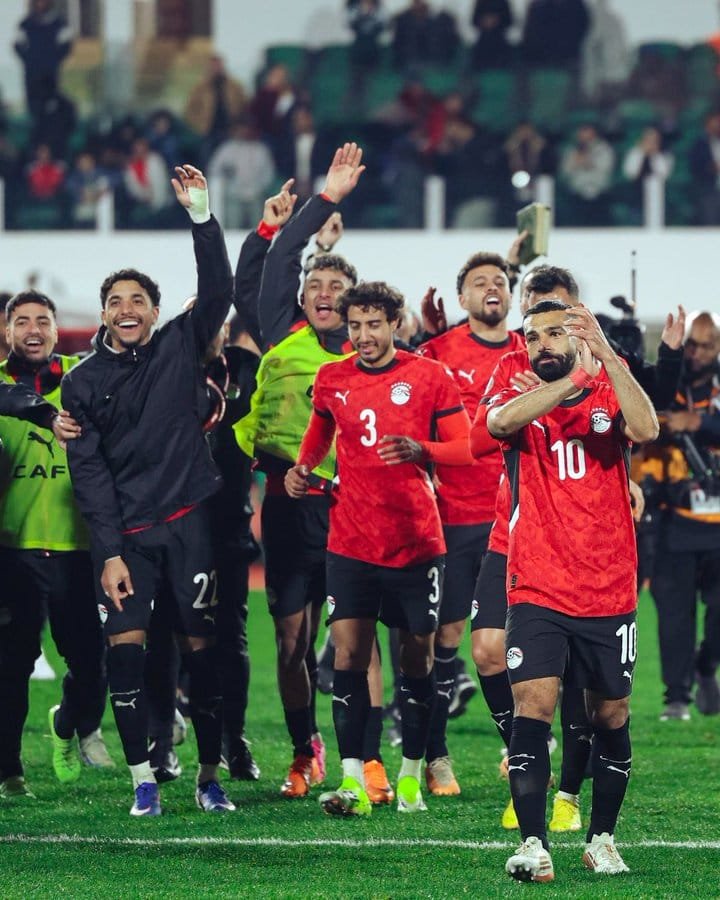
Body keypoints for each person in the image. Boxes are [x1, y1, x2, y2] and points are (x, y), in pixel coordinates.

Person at [61, 164, 236, 817]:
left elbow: (218, 290)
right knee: (125, 659)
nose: (126, 310)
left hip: (190, 527)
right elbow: (90, 475)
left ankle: (210, 776)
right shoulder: (79, 386)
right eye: (115, 302)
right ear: (104, 314)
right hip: (127, 540)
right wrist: (107, 553)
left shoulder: (176, 349)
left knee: (203, 654)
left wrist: (201, 217)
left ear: (157, 313)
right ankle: (143, 782)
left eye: (138, 301)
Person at [235, 144, 398, 802]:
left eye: (338, 288)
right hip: (290, 507)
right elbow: (268, 271)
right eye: (316, 286)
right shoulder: (282, 337)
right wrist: (321, 201)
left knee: (361, 635)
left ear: (356, 303)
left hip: (354, 510)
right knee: (290, 637)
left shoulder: (375, 353)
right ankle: (306, 751)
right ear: (302, 299)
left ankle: (372, 757)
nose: (325, 295)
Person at [482, 299, 659, 881]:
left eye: (555, 333)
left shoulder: (610, 389)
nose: (541, 344)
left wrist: (605, 357)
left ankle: (601, 838)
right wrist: (572, 380)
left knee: (610, 714)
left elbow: (647, 428)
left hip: (608, 589)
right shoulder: (524, 397)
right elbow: (497, 425)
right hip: (536, 584)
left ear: (580, 337)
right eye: (533, 336)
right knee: (532, 706)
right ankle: (535, 845)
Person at [285, 281, 472, 816]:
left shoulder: (427, 376)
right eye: (355, 326)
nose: (363, 336)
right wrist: (304, 472)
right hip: (350, 542)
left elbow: (464, 448)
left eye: (374, 324)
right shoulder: (332, 378)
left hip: (416, 543)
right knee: (347, 654)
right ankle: (350, 780)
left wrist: (422, 449)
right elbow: (319, 439)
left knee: (417, 659)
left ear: (395, 323)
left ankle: (412, 774)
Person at [416, 252, 524, 796]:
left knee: (519, 638)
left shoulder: (531, 352)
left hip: (518, 520)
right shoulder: (434, 354)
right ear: (461, 299)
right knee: (449, 637)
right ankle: (436, 755)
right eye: (479, 282)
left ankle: (520, 746)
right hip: (453, 518)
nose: (491, 288)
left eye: (500, 281)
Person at [0, 290, 112, 801]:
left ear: (54, 327)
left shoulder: (82, 377)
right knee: (11, 663)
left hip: (77, 546)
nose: (32, 329)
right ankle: (8, 768)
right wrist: (46, 415)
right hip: (13, 547)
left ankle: (68, 724)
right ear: (7, 332)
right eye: (21, 321)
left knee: (92, 665)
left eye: (42, 320)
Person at [643, 312, 720, 720]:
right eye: (691, 344)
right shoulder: (667, 382)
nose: (697, 353)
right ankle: (677, 697)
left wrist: (698, 422)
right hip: (674, 518)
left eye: (707, 345)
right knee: (674, 613)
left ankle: (707, 665)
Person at [13, 0, 73, 123]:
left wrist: (53, 60)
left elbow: (67, 45)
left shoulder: (59, 23)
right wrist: (29, 60)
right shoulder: (25, 24)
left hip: (50, 72)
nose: (41, 3)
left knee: (51, 105)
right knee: (34, 107)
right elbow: (17, 44)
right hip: (32, 73)